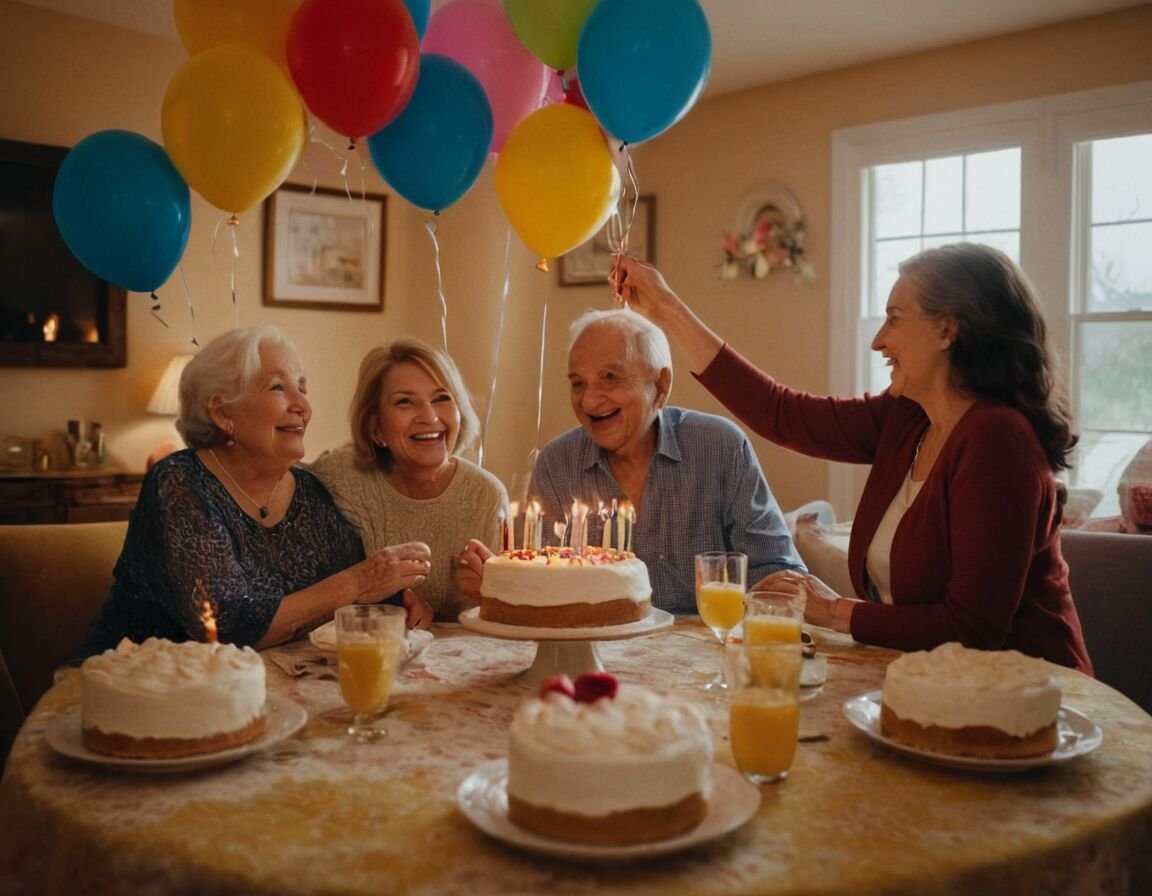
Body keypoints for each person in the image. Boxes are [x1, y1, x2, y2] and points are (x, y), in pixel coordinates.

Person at [612, 244, 1093, 672]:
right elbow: (781, 412)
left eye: (895, 318)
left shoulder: (998, 439)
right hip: (931, 686)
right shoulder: (907, 417)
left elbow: (973, 629)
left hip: (1030, 701)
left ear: (948, 329)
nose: (878, 340)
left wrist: (833, 610)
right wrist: (666, 308)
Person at [80, 326, 434, 657]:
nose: (303, 407)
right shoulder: (179, 482)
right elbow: (225, 627)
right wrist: (359, 582)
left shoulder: (308, 492)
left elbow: (359, 589)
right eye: (278, 387)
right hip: (136, 686)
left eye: (302, 389)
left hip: (251, 692)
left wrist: (401, 604)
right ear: (221, 412)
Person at [462, 307, 805, 614]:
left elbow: (777, 573)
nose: (591, 400)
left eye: (611, 378)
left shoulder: (719, 446)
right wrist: (502, 586)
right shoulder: (558, 464)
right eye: (578, 383)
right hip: (596, 655)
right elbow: (543, 589)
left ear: (660, 386)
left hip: (706, 655)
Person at [310, 337, 509, 621]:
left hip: (459, 659)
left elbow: (508, 623)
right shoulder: (339, 480)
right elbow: (313, 589)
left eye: (442, 398)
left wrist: (491, 596)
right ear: (375, 425)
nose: (429, 417)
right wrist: (392, 606)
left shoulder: (486, 497)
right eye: (405, 402)